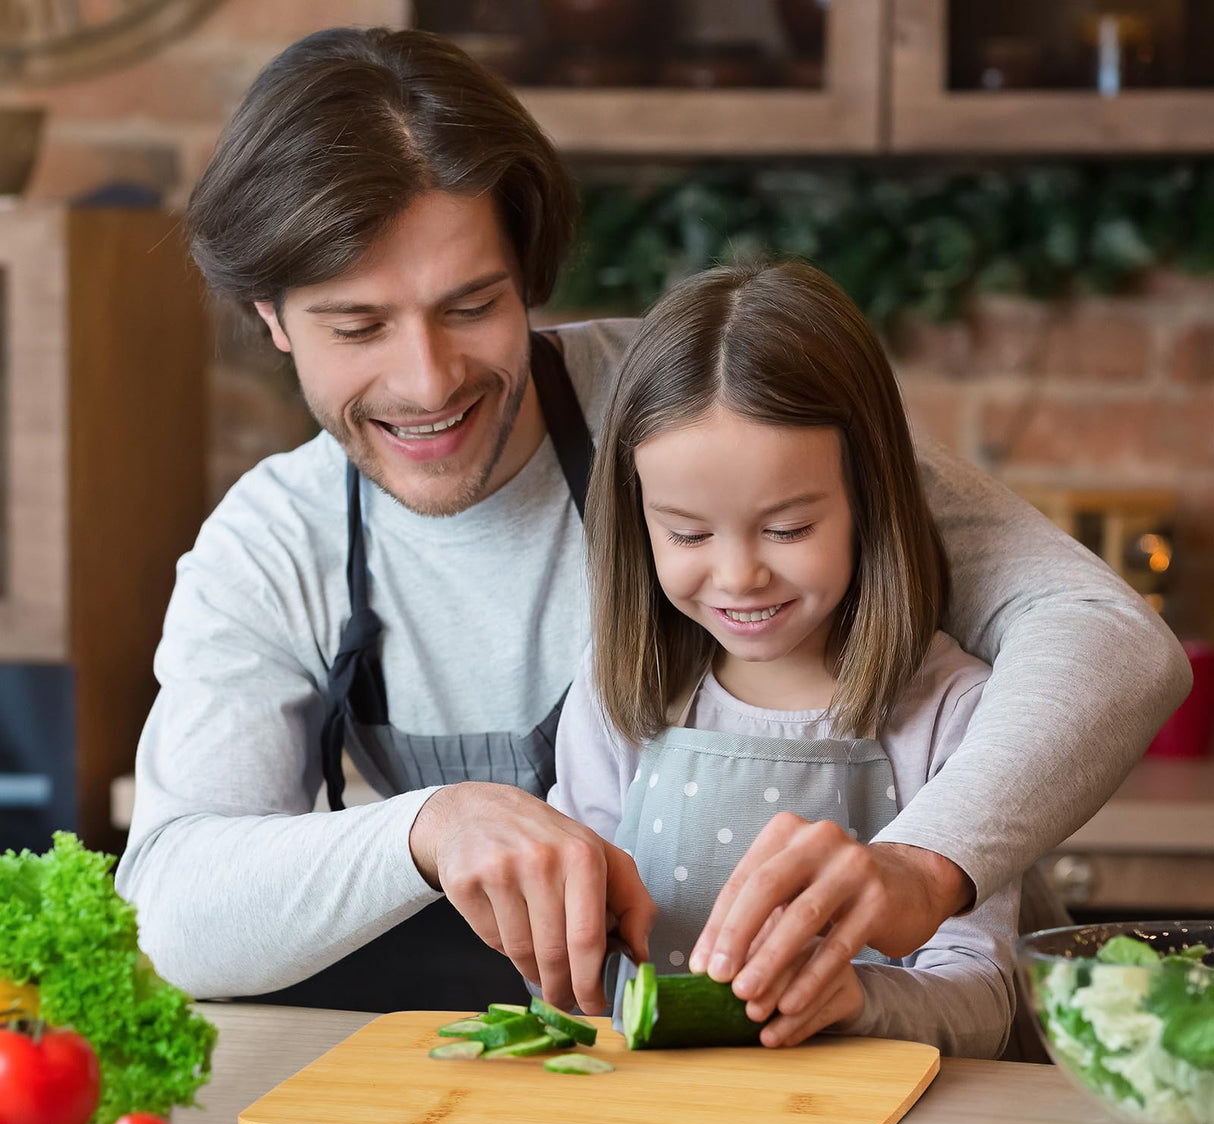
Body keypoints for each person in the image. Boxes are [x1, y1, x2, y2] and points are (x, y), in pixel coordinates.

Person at [114, 27, 1190, 1020]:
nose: (427, 380)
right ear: (272, 317)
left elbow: (1110, 636)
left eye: (473, 305)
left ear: (527, 272)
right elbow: (168, 910)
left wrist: (922, 864)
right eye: (357, 326)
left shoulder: (696, 404)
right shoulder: (276, 545)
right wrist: (432, 823)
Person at [551, 259, 1019, 1057]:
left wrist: (860, 1000)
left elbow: (986, 1001)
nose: (739, 576)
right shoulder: (620, 689)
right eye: (688, 534)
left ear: (869, 501)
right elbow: (572, 968)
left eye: (788, 529)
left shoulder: (956, 713)